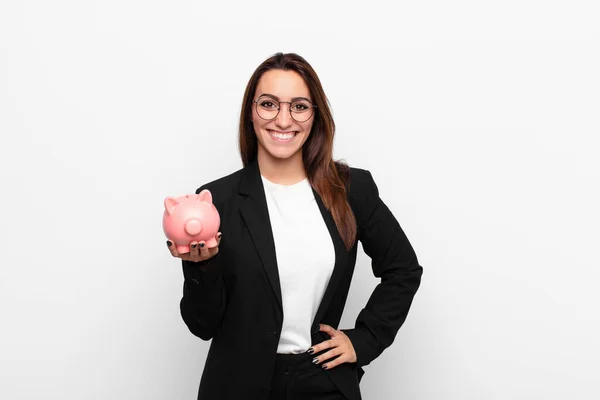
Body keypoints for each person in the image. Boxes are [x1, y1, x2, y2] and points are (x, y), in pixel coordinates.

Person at [167, 52, 423, 400]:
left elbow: (404, 270)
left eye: (299, 106)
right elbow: (202, 324)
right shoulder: (217, 200)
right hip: (237, 385)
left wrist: (363, 340)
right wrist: (200, 266)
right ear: (251, 112)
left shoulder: (351, 189)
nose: (284, 120)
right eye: (269, 104)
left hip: (322, 383)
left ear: (315, 116)